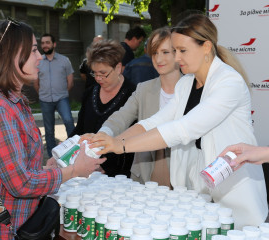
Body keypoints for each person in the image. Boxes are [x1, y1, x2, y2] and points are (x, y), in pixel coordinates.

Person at [88, 14, 267, 227]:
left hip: (234, 190)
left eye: (182, 51)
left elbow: (183, 129)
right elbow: (154, 122)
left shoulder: (228, 82)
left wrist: (121, 145)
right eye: (175, 50)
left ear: (206, 47)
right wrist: (108, 143)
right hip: (198, 190)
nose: (177, 57)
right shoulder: (186, 84)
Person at [0, 19, 105, 239]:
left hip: (16, 224)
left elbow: (19, 170)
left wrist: (50, 167)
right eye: (33, 50)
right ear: (8, 55)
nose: (39, 57)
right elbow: (21, 183)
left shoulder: (15, 103)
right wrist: (74, 170)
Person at [94, 27, 181, 185]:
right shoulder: (143, 89)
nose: (159, 59)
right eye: (154, 53)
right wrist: (103, 134)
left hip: (182, 179)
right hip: (145, 176)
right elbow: (121, 116)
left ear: (179, 53)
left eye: (165, 52)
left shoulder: (194, 90)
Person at [69, 39, 136, 177]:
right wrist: (64, 151)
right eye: (94, 73)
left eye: (103, 73)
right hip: (87, 170)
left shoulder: (133, 94)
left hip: (120, 174)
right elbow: (80, 130)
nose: (98, 78)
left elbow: (134, 139)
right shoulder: (89, 93)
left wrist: (106, 167)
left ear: (118, 68)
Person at [34, 33, 75, 157]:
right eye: (43, 43)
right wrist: (42, 93)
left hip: (62, 98)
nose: (45, 45)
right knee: (49, 129)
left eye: (47, 42)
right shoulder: (38, 62)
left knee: (68, 121)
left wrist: (62, 93)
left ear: (54, 44)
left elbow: (70, 82)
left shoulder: (64, 60)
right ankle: (53, 156)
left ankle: (74, 149)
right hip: (45, 100)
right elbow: (36, 83)